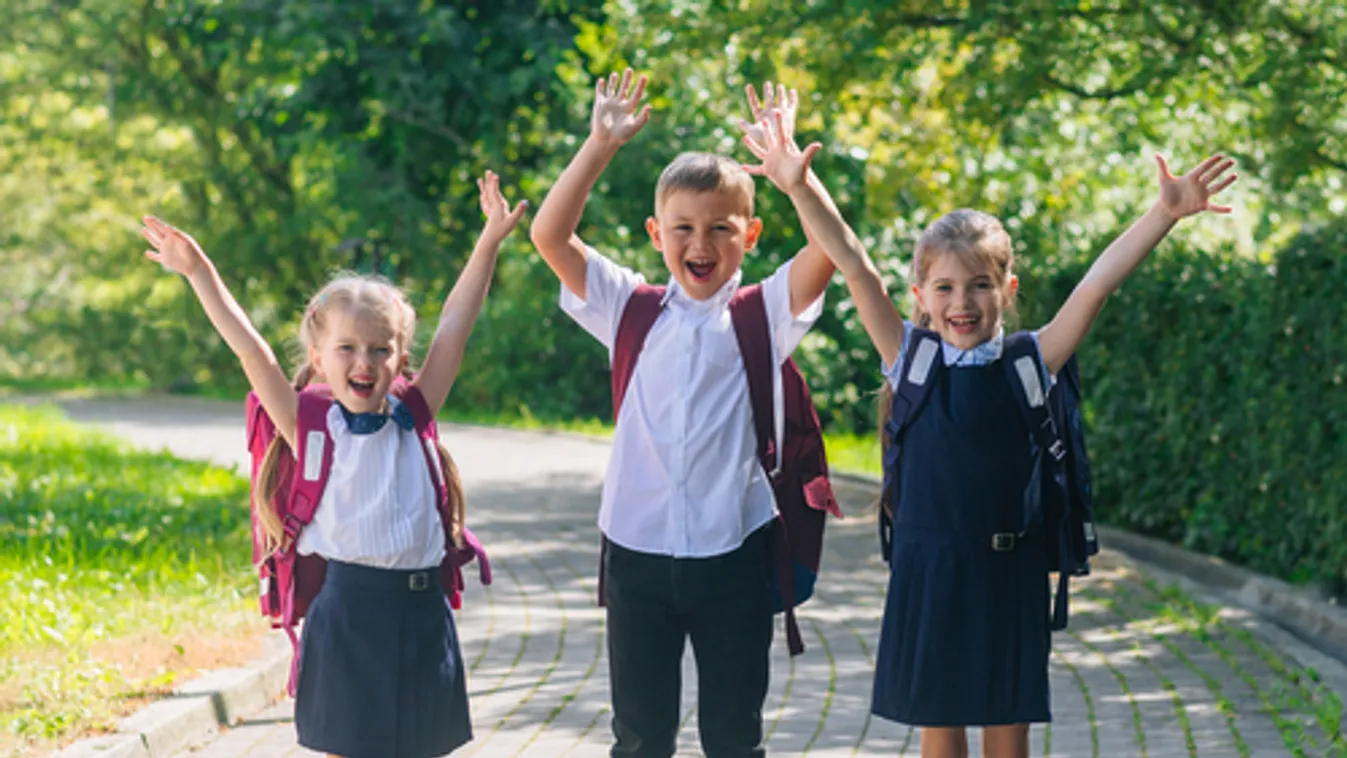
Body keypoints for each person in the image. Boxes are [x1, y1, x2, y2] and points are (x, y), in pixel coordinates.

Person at [774, 132, 1237, 758]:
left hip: (1010, 571)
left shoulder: (1031, 361)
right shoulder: (909, 358)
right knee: (940, 725)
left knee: (1007, 728)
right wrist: (800, 185)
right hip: (929, 569)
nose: (961, 303)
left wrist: (1164, 214)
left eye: (979, 286)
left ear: (1007, 289)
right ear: (920, 297)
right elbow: (855, 264)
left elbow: (1096, 285)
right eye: (944, 288)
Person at [527, 71, 858, 757]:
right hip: (636, 552)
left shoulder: (763, 313)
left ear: (750, 234)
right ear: (656, 233)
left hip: (734, 552)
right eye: (682, 228)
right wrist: (598, 146)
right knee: (640, 737)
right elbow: (550, 236)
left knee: (733, 737)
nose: (699, 243)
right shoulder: (629, 306)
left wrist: (796, 180)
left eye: (719, 228)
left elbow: (831, 252)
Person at [139, 171, 527, 758]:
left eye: (380, 349)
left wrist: (489, 241)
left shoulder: (415, 411)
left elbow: (455, 323)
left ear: (400, 357)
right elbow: (252, 351)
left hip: (424, 613)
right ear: (319, 359)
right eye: (347, 348)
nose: (364, 361)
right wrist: (198, 271)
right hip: (348, 614)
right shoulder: (312, 427)